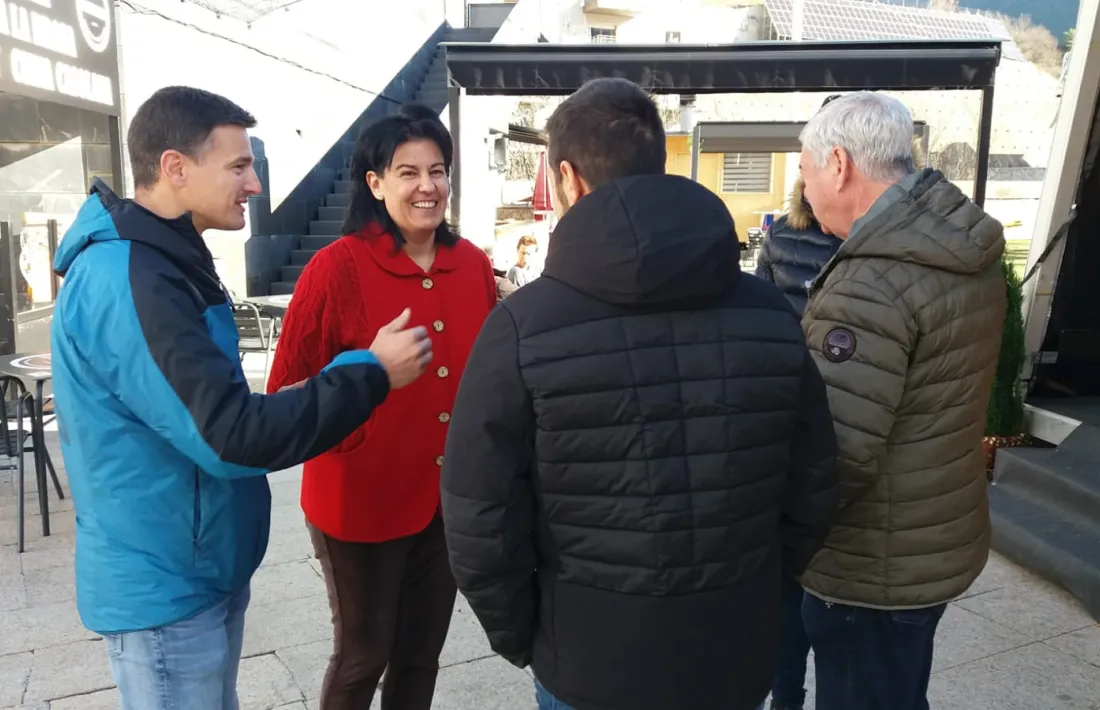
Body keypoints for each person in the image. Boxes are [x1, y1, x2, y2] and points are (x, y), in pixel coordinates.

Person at [440, 77, 840, 710]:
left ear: (568, 179)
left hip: (587, 656)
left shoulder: (522, 325)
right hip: (731, 648)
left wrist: (527, 635)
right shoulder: (769, 313)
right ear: (657, 163)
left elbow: (478, 514)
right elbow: (814, 481)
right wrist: (760, 588)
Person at [50, 86, 432, 710]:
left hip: (199, 567)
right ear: (175, 168)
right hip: (164, 587)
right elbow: (230, 433)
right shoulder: (130, 277)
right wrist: (370, 372)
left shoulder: (169, 257)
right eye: (238, 165)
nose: (254, 184)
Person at [266, 103, 497, 710]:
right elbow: (284, 396)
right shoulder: (334, 268)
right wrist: (363, 378)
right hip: (359, 500)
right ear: (375, 183)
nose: (428, 187)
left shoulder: (471, 263)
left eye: (439, 170)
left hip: (445, 504)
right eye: (408, 172)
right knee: (363, 656)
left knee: (421, 656)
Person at [796, 92, 1006, 710]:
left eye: (806, 173)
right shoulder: (956, 244)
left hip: (870, 565)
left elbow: (837, 452)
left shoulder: (871, 282)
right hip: (932, 539)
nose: (806, 192)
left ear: (838, 164)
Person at [754, 120, 927, 710]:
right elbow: (763, 335)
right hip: (857, 494)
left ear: (838, 164)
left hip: (857, 512)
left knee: (852, 666)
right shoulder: (788, 242)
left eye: (804, 164)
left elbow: (856, 438)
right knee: (800, 640)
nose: (801, 178)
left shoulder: (886, 265)